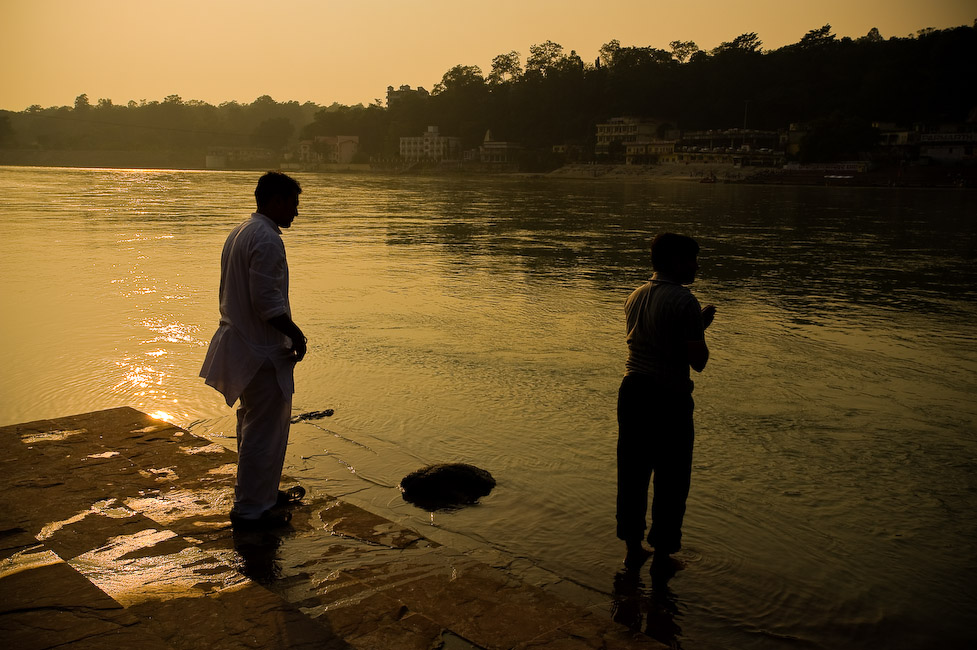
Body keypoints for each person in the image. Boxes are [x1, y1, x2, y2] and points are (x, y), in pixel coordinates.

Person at [200, 171, 307, 528]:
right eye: (292, 204)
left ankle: (259, 495)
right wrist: (296, 335)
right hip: (259, 350)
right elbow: (267, 302)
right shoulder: (266, 240)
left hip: (243, 345)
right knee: (264, 430)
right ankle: (252, 509)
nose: (296, 211)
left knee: (252, 425)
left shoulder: (243, 231)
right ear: (275, 201)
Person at [616, 233, 716, 569]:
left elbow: (658, 344)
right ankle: (662, 554)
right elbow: (697, 361)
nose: (696, 267)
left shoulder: (636, 295)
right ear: (676, 261)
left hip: (632, 391)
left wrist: (693, 327)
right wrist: (699, 329)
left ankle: (633, 549)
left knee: (633, 472)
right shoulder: (684, 301)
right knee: (672, 478)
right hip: (667, 397)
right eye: (692, 260)